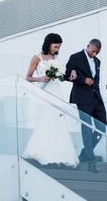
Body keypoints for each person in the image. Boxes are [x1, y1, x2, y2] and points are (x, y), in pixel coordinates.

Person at [22, 33, 78, 167]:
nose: (56, 49)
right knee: (45, 119)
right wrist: (41, 78)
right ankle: (44, 151)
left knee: (58, 121)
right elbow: (28, 77)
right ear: (49, 44)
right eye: (55, 46)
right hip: (44, 91)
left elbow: (61, 77)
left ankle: (59, 154)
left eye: (58, 47)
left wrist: (68, 75)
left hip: (56, 91)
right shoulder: (37, 57)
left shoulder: (56, 58)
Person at [65, 38, 107, 173]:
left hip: (96, 97)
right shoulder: (76, 57)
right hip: (82, 97)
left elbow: (96, 80)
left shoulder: (97, 61)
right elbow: (66, 74)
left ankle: (84, 153)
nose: (94, 54)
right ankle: (90, 159)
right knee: (87, 128)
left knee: (102, 127)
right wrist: (82, 79)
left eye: (97, 52)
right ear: (88, 46)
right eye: (93, 51)